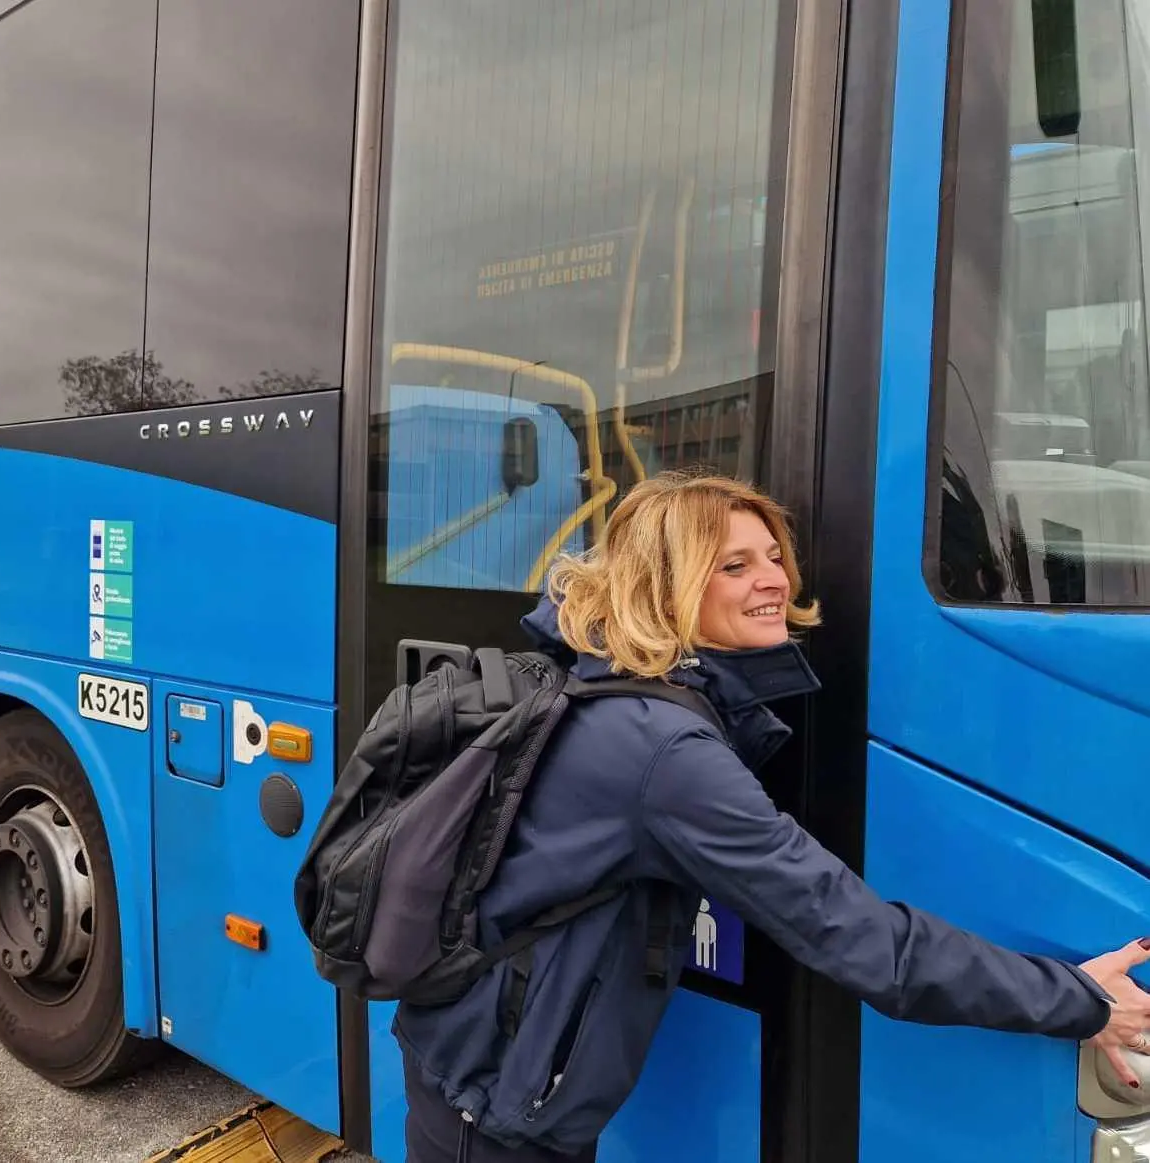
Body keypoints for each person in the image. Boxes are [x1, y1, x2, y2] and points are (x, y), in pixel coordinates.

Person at [393, 470, 1150, 1163]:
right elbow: (860, 938)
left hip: (476, 1051)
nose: (774, 581)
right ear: (665, 586)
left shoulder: (599, 675)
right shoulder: (662, 750)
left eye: (772, 556)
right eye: (733, 565)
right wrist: (1074, 999)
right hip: (493, 1096)